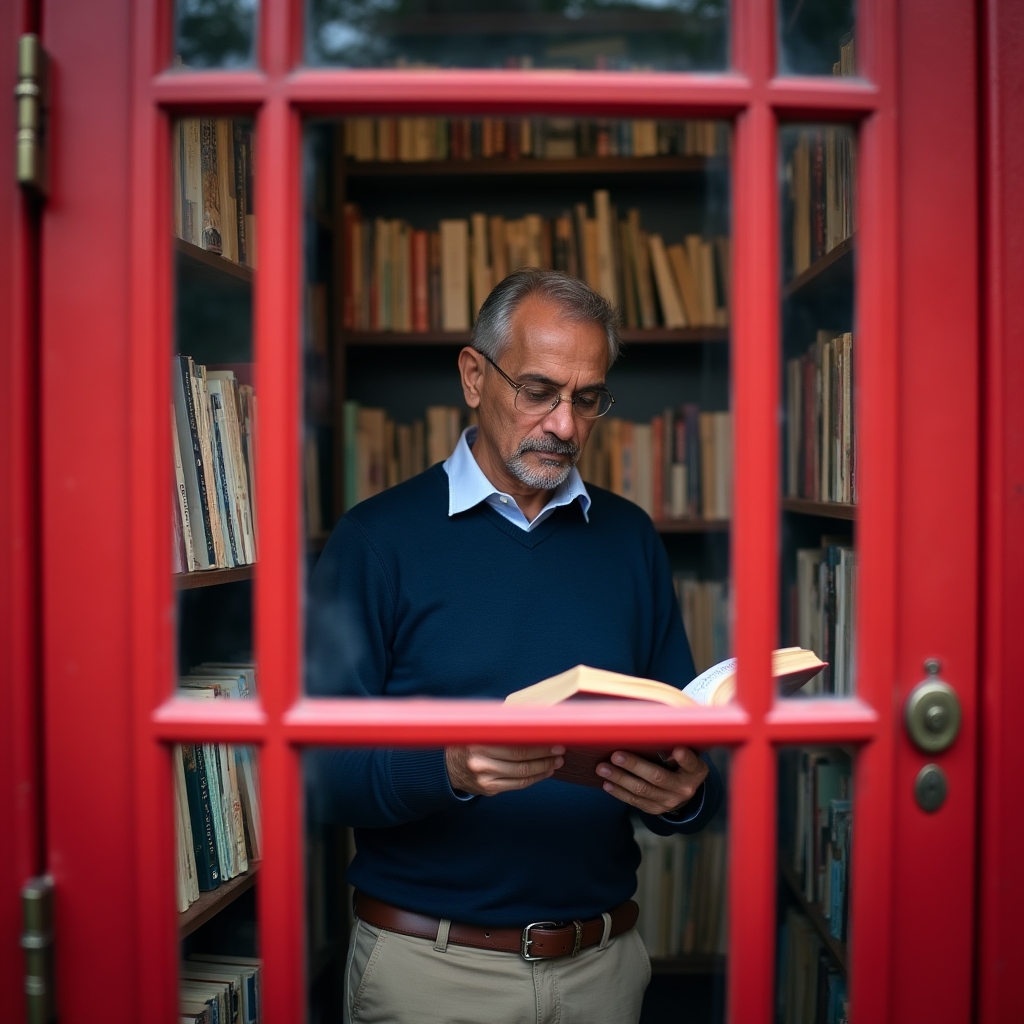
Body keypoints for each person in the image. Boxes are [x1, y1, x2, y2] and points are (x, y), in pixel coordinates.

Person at [307, 269, 724, 1024]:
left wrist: (687, 799)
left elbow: (686, 734)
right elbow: (316, 775)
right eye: (538, 390)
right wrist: (450, 769)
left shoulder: (630, 539)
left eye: (587, 398)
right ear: (474, 376)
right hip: (432, 972)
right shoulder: (376, 541)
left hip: (604, 968)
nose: (564, 425)